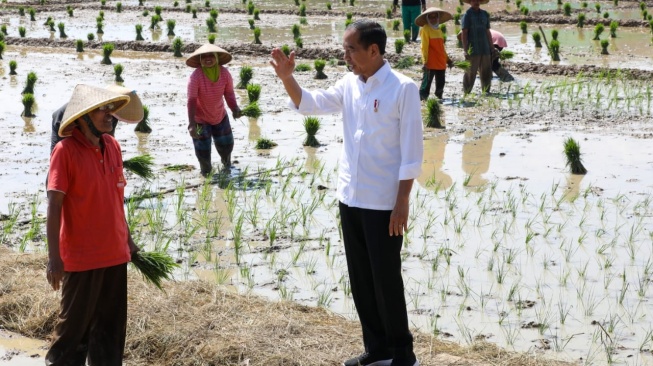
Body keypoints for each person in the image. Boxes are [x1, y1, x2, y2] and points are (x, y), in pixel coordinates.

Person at [270, 19, 423, 366]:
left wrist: (402, 202)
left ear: (373, 50)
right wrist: (286, 78)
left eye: (351, 49)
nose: (346, 56)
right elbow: (310, 103)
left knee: (385, 279)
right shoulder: (350, 85)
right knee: (361, 278)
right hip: (350, 197)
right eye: (345, 49)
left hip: (383, 201)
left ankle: (402, 352)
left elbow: (412, 153)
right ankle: (377, 348)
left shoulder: (403, 88)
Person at [46, 84, 140, 366]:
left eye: (111, 108)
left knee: (110, 336)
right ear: (83, 116)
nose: (110, 114)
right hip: (82, 259)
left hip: (114, 256)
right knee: (71, 338)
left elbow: (116, 198)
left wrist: (129, 240)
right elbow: (54, 206)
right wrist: (54, 258)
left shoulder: (113, 146)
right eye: (103, 109)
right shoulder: (65, 151)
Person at [186, 43, 242, 177]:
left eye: (211, 55)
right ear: (200, 60)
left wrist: (234, 108)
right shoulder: (196, 77)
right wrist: (191, 124)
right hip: (200, 119)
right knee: (203, 150)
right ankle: (206, 174)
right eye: (204, 56)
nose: (208, 58)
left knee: (226, 144)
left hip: (219, 115)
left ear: (217, 57)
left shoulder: (224, 73)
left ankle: (227, 165)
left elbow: (229, 93)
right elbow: (191, 100)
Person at [50, 84, 144, 153]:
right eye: (107, 107)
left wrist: (113, 156)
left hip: (89, 128)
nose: (109, 111)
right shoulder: (88, 110)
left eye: (112, 107)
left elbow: (109, 138)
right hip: (62, 120)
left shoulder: (111, 113)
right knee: (61, 154)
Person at [415, 7, 453, 100]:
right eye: (431, 17)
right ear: (427, 18)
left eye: (435, 17)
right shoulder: (425, 29)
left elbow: (441, 48)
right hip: (430, 62)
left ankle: (439, 100)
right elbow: (424, 46)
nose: (433, 19)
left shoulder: (439, 30)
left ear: (438, 18)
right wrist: (425, 61)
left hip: (440, 61)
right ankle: (422, 101)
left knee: (441, 84)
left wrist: (448, 60)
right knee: (426, 85)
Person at [461, 0, 493, 94]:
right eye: (474, 0)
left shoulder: (485, 14)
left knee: (486, 71)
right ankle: (466, 92)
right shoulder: (467, 15)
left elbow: (488, 31)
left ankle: (486, 91)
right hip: (473, 49)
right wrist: (465, 50)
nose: (476, 2)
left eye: (478, 0)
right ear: (470, 2)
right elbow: (464, 33)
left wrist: (492, 47)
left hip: (485, 48)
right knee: (470, 72)